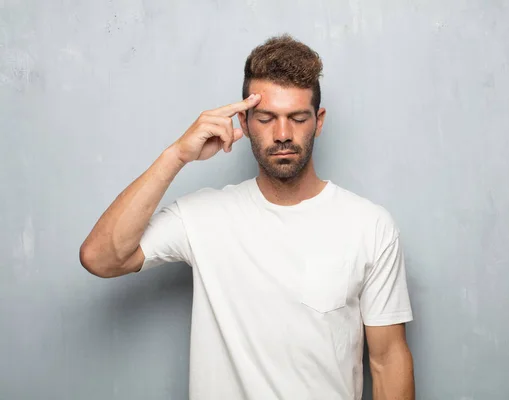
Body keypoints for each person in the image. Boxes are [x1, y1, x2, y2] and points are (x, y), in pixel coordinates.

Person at [79, 34, 414, 400]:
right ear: (244, 120)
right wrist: (176, 155)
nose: (283, 134)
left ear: (318, 121)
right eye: (267, 118)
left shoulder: (369, 226)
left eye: (297, 118)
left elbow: (387, 360)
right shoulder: (203, 218)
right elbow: (101, 258)